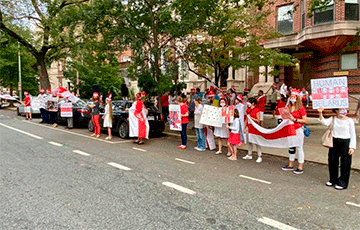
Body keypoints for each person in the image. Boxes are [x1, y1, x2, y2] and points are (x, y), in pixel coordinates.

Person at [318, 107, 356, 190]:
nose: (343, 110)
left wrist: (352, 147)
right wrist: (320, 113)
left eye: (345, 109)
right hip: (334, 141)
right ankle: (333, 180)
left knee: (345, 163)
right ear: (336, 111)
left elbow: (353, 134)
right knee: (332, 161)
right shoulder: (333, 119)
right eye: (341, 109)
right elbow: (324, 122)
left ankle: (343, 182)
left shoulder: (350, 121)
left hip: (346, 142)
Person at [282, 88, 307, 174]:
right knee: (291, 147)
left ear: (297, 97)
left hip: (298, 129)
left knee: (299, 147)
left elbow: (305, 120)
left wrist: (295, 119)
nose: (292, 98)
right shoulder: (288, 107)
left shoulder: (301, 108)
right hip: (290, 129)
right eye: (291, 96)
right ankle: (291, 164)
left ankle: (300, 167)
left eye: (293, 96)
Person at [243, 97, 263, 163]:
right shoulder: (248, 110)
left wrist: (251, 118)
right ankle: (249, 154)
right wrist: (244, 127)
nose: (248, 103)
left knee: (257, 142)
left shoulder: (257, 110)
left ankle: (259, 156)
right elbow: (246, 119)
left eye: (249, 102)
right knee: (249, 141)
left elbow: (258, 120)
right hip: (249, 127)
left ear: (253, 103)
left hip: (255, 127)